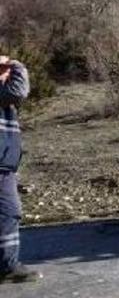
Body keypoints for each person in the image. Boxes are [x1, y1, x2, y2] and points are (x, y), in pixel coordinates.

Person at [0, 55, 40, 284]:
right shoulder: (5, 93)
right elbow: (19, 90)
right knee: (8, 211)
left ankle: (7, 266)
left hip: (4, 165)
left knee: (7, 213)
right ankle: (7, 267)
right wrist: (15, 63)